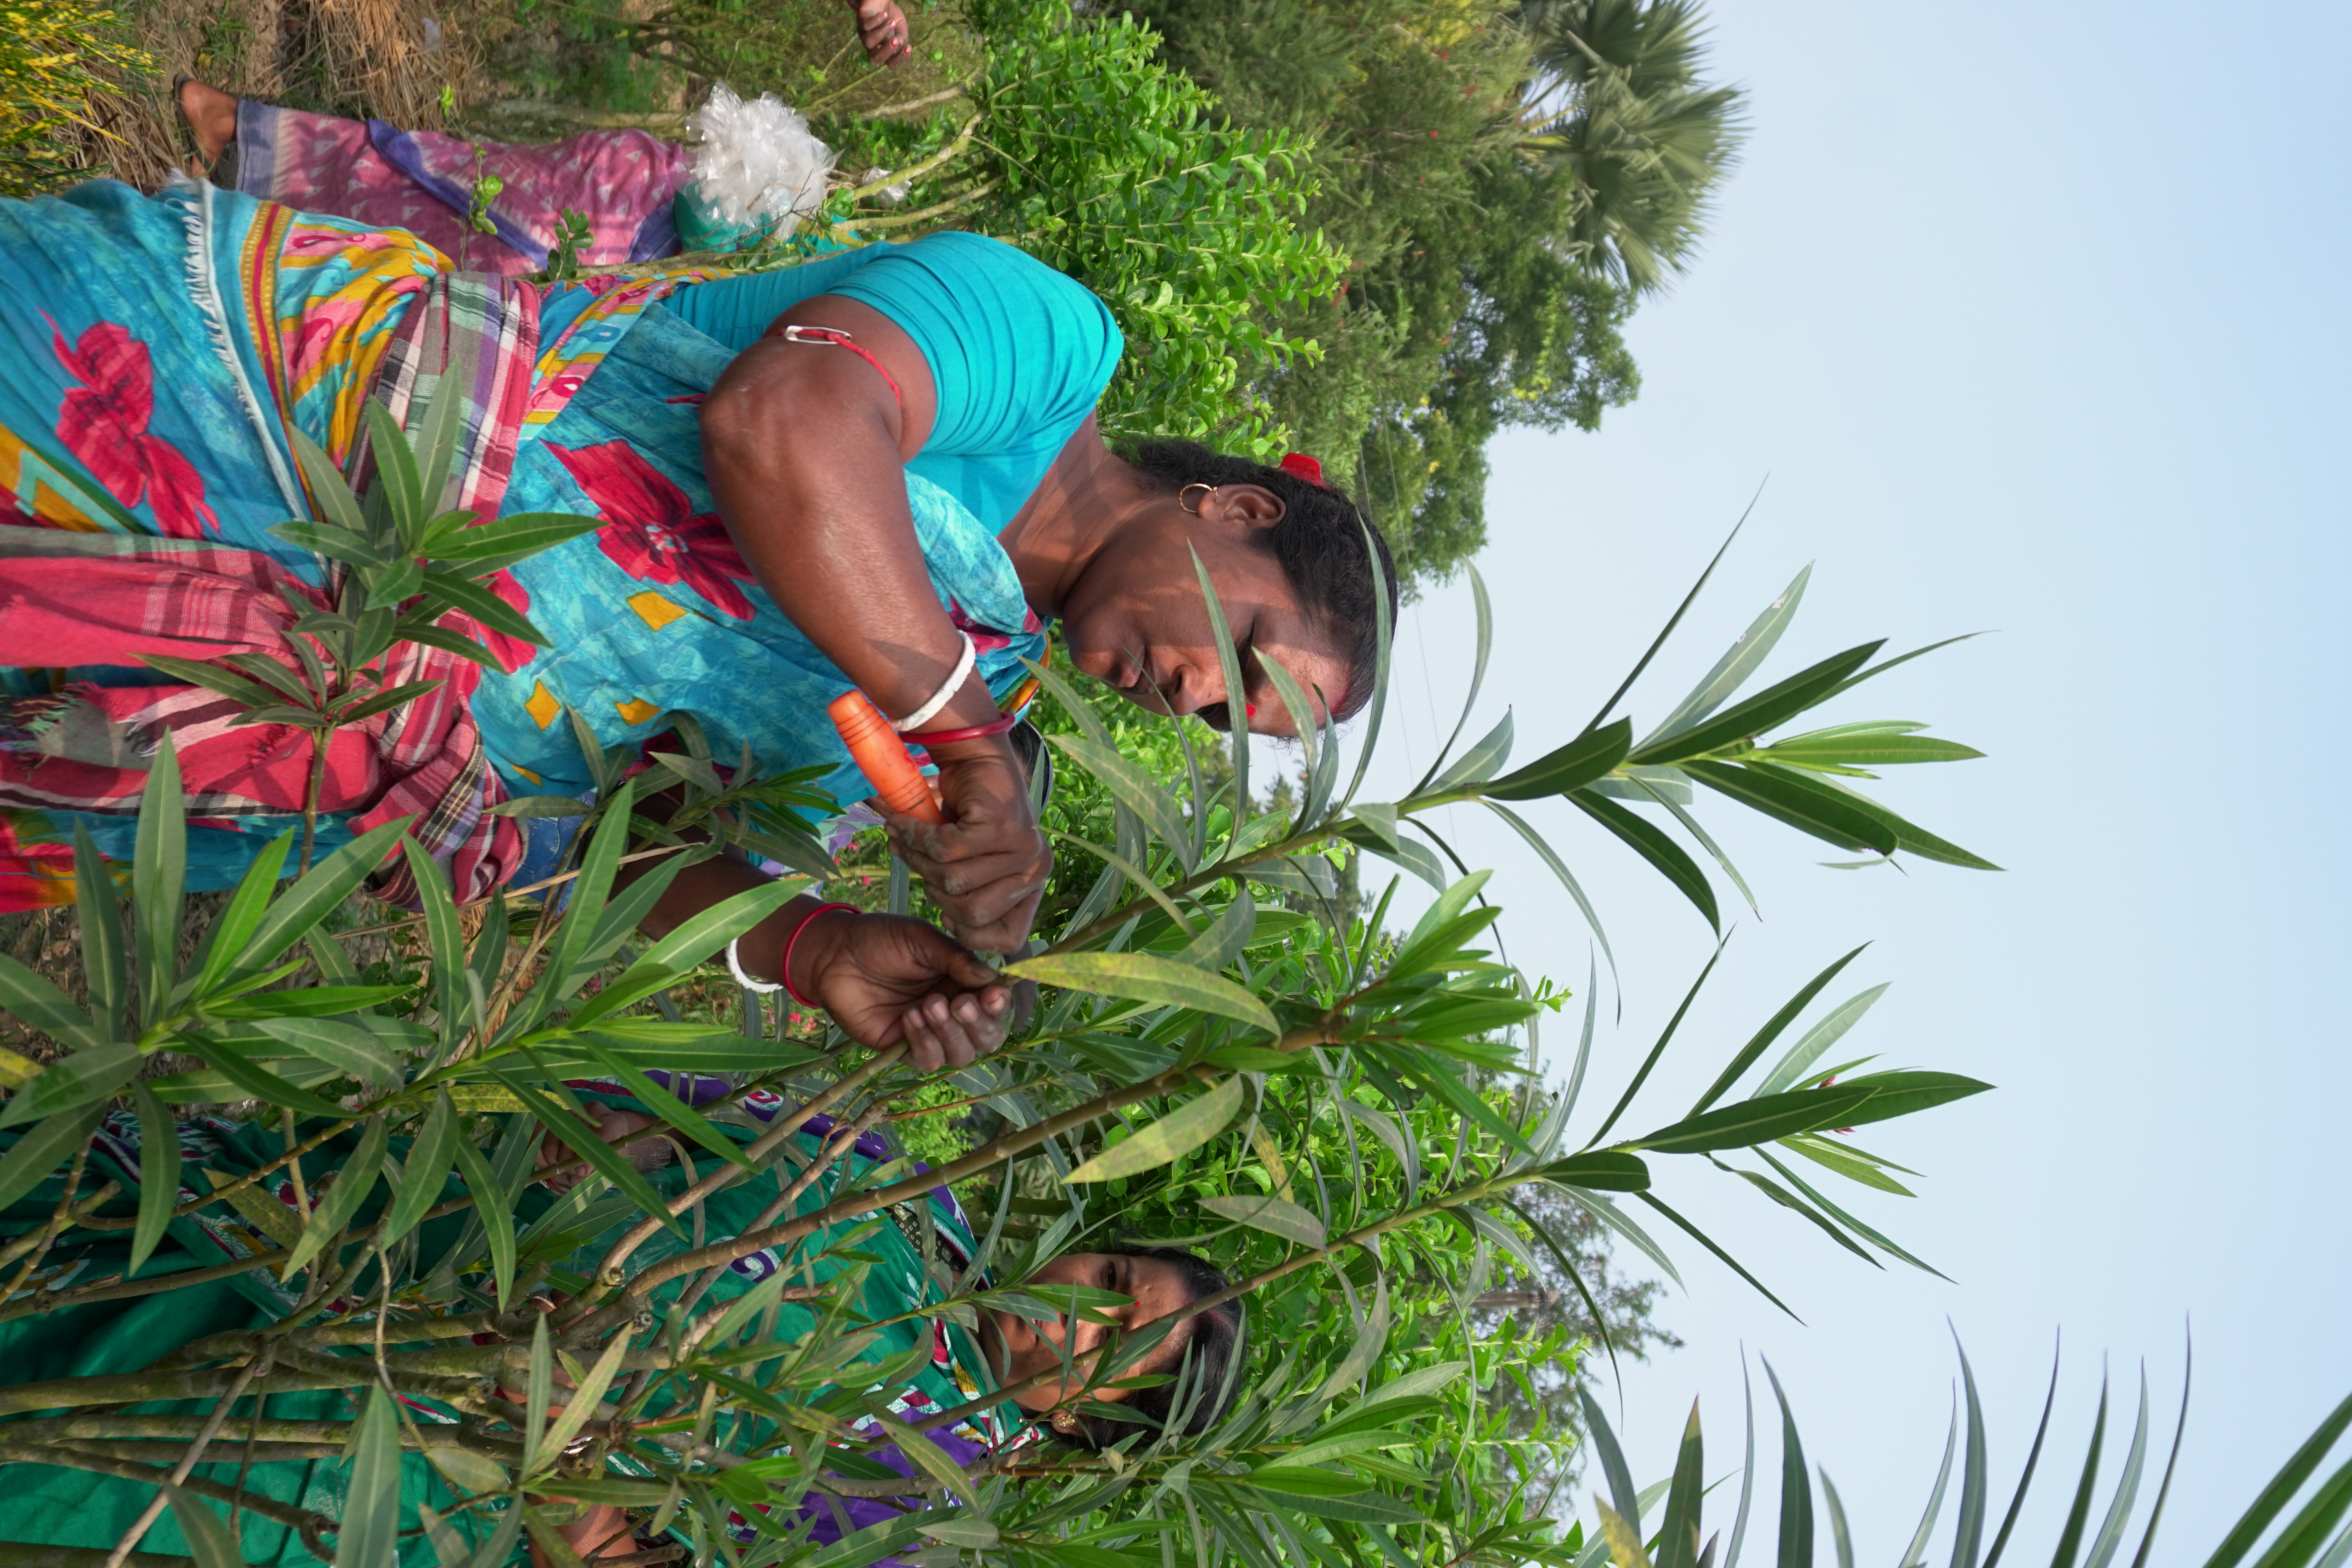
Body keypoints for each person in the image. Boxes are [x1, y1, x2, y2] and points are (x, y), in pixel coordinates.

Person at [0, 59, 1399, 1069]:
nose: (1194, 700)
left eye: (1226, 723)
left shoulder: (954, 698)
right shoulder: (1045, 355)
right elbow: (789, 420)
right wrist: (962, 736)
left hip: (231, 730)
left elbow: (607, 852)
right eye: (1248, 656)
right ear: (1234, 513)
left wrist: (817, 949)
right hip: (210, 425)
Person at [0, 1076, 1245, 1567]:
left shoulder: (912, 1511)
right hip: (326, 1221)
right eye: (1108, 1280)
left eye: (1108, 1345)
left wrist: (559, 1463)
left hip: (365, 1457)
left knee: (63, 1444)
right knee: (64, 1253)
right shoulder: (914, 1197)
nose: (1075, 1311)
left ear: (1085, 1427)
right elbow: (663, 1095)